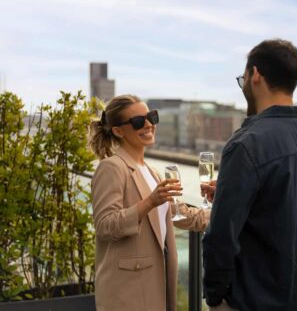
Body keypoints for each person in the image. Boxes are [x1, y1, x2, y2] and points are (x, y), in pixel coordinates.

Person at [201, 39, 297, 310]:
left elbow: (220, 237)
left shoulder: (246, 144)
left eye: (244, 78)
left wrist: (215, 298)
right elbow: (295, 208)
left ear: (255, 75)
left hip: (255, 301)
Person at [88, 94, 209, 311]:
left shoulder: (151, 172)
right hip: (127, 291)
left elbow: (179, 214)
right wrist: (150, 202)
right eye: (137, 122)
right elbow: (105, 225)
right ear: (118, 131)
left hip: (156, 284)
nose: (148, 124)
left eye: (151, 117)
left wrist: (226, 205)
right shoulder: (111, 168)